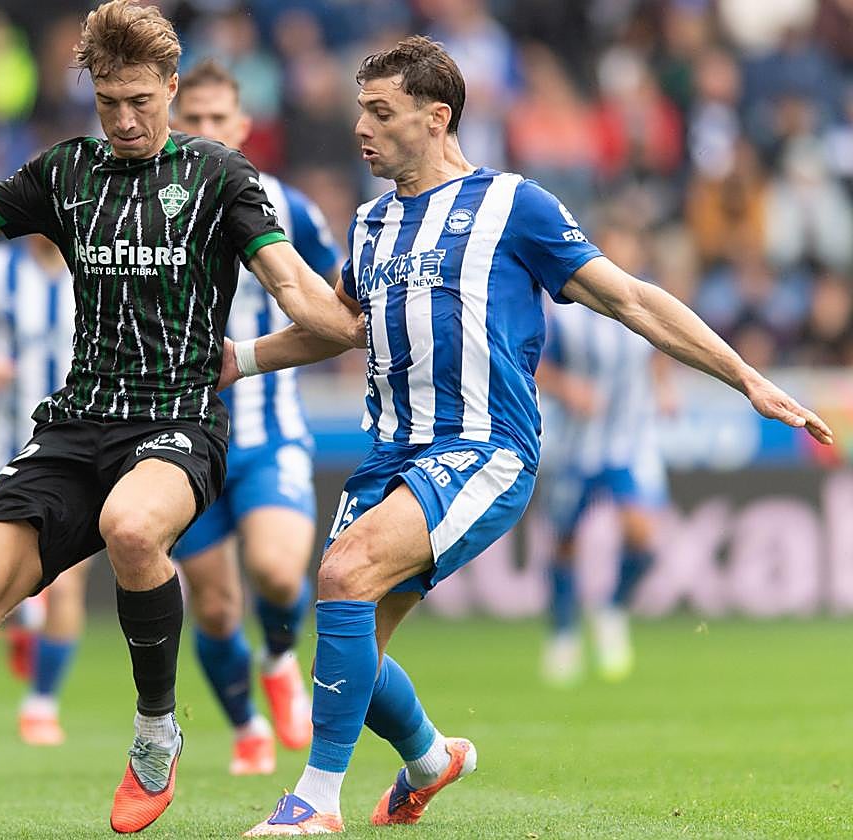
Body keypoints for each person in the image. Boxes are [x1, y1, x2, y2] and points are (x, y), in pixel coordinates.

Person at [224, 36, 831, 835]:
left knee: (344, 574)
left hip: (482, 449)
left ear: (437, 118)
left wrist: (747, 376)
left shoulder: (514, 206)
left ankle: (315, 803)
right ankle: (431, 759)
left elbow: (633, 300)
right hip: (390, 454)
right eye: (359, 111)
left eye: (380, 112)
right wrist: (237, 359)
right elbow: (340, 329)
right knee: (353, 648)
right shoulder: (370, 225)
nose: (361, 129)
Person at [0, 2, 362, 837]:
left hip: (177, 421)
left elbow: (309, 306)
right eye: (109, 101)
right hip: (75, 424)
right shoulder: (67, 172)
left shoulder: (222, 178)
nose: (126, 118)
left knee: (133, 528)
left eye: (142, 99)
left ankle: (155, 731)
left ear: (172, 88)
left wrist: (264, 349)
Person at [170, 59, 340, 775]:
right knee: (212, 609)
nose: (206, 131)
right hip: (181, 433)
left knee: (276, 571)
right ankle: (245, 725)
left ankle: (276, 657)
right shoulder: (151, 203)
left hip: (269, 430)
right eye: (194, 120)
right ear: (175, 123)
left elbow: (338, 294)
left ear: (242, 127)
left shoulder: (290, 207)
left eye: (219, 121)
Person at [0, 233, 91, 743]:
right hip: (6, 450)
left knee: (66, 581)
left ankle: (42, 703)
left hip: (80, 449)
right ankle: (23, 619)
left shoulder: (92, 264)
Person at [537, 256, 675, 687]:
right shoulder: (568, 314)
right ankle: (563, 635)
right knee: (564, 541)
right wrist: (568, 388)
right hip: (577, 445)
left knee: (641, 535)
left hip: (628, 444)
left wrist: (664, 386)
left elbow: (660, 350)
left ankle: (612, 609)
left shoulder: (645, 300)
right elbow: (538, 365)